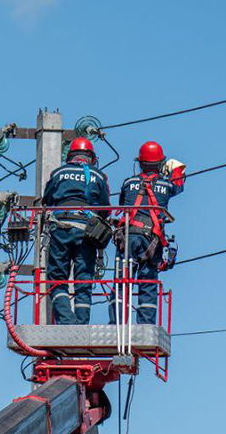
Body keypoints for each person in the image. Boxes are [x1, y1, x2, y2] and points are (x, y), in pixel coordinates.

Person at [111, 140, 185, 325]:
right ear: (160, 164)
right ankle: (145, 324)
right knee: (148, 283)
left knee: (121, 282)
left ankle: (116, 325)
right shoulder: (166, 186)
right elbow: (179, 184)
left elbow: (123, 203)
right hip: (150, 241)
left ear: (140, 163)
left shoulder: (128, 182)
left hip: (126, 237)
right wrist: (175, 168)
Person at [42, 137, 111, 324]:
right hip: (87, 232)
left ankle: (66, 322)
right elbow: (106, 209)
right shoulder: (98, 176)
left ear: (70, 155)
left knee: (57, 278)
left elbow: (46, 200)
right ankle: (81, 325)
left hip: (61, 228)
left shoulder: (59, 173)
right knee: (84, 280)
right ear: (91, 158)